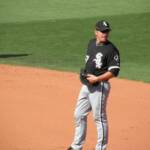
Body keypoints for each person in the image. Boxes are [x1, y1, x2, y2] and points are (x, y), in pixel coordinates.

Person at [67, 20, 120, 150]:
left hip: (100, 86)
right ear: (96, 32)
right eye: (102, 31)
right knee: (79, 114)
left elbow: (114, 71)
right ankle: (76, 146)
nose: (105, 34)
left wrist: (97, 78)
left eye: (107, 31)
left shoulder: (111, 49)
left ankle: (101, 148)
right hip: (87, 85)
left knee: (99, 118)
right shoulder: (91, 43)